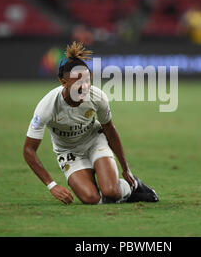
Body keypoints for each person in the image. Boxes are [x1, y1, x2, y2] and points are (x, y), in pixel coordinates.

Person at [23, 42, 159, 205]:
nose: (85, 86)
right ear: (64, 83)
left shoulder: (97, 97)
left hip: (95, 141)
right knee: (92, 199)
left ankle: (133, 186)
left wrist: (125, 168)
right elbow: (29, 150)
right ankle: (114, 193)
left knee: (110, 191)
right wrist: (52, 185)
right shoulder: (47, 106)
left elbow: (110, 129)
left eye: (88, 80)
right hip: (69, 151)